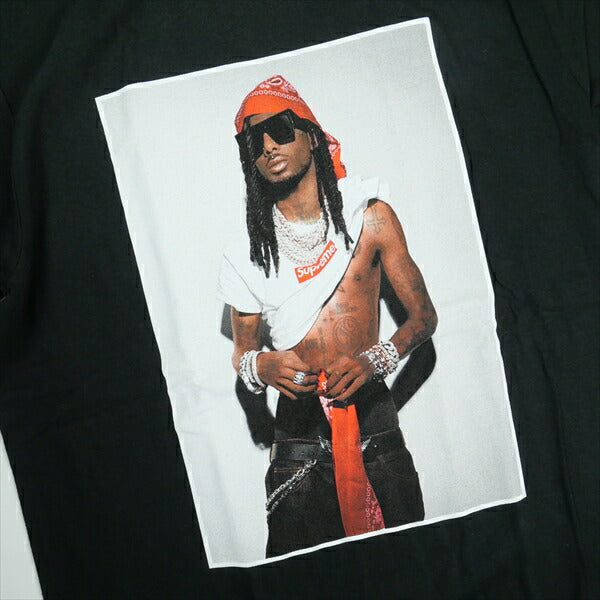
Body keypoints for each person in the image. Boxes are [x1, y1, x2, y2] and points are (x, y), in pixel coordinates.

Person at [218, 75, 437, 558]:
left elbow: (423, 317)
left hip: (372, 413)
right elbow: (243, 354)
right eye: (253, 141)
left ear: (312, 136)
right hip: (295, 428)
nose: (268, 146)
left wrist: (376, 360)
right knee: (302, 575)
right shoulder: (246, 252)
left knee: (408, 564)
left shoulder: (368, 216)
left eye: (280, 129)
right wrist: (262, 365)